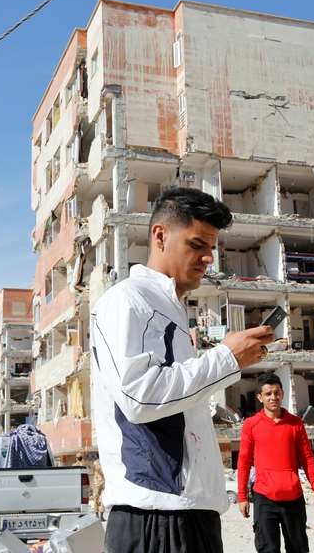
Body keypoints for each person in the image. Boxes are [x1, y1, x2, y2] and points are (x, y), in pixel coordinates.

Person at [91, 187, 274, 553]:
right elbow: (138, 396)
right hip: (154, 516)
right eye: (197, 245)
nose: (208, 258)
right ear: (160, 236)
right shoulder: (126, 300)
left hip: (193, 513)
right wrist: (226, 359)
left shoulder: (172, 309)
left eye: (212, 248)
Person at [237, 373, 314, 553]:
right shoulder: (251, 425)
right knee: (268, 549)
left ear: (282, 394)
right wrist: (242, 496)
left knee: (298, 549)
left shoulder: (296, 424)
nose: (273, 397)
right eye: (268, 394)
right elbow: (244, 462)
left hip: (293, 498)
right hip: (264, 498)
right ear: (260, 397)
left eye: (276, 393)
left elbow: (307, 459)